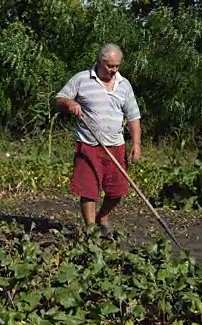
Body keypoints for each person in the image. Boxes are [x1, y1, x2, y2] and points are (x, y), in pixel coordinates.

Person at [55, 43, 142, 237]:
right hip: (88, 144)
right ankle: (91, 230)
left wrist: (136, 144)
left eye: (116, 66)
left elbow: (134, 116)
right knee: (89, 190)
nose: (113, 70)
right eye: (109, 66)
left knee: (117, 191)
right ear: (99, 62)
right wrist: (70, 102)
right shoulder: (81, 79)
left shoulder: (124, 85)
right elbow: (59, 98)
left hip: (115, 145)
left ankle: (103, 216)